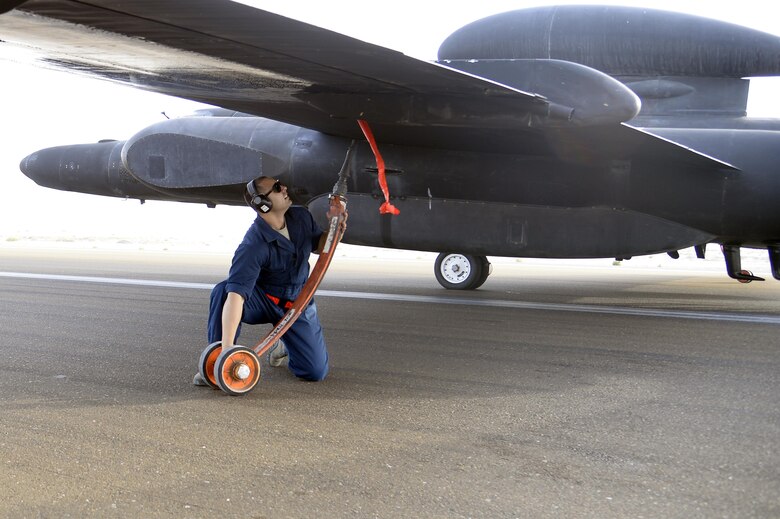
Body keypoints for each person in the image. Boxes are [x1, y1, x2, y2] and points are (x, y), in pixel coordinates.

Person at [194, 175, 347, 386]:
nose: (284, 187)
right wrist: (228, 349)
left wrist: (334, 230)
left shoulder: (301, 217)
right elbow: (237, 297)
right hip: (263, 301)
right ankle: (216, 360)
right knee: (223, 291)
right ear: (262, 204)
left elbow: (319, 247)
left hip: (297, 303)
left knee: (314, 372)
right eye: (276, 188)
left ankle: (284, 344)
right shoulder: (253, 245)